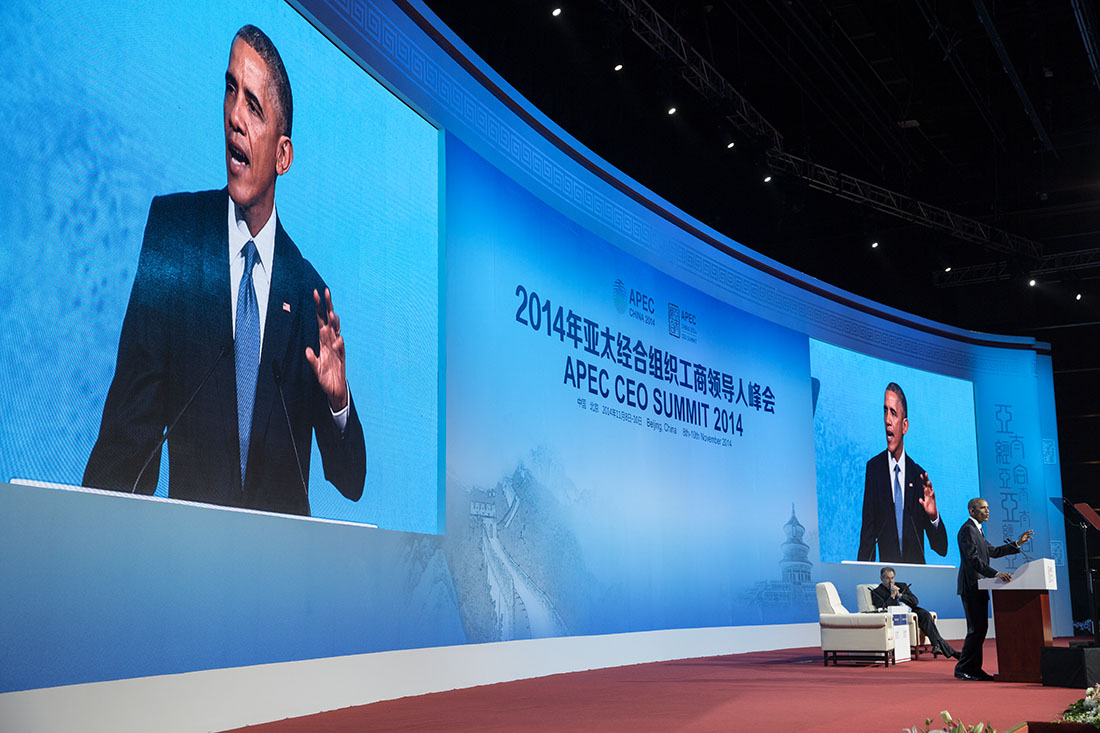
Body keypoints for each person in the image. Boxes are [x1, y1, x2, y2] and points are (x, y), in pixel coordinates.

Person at [83, 25, 366, 516]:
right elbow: (131, 429)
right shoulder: (177, 239)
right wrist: (94, 536)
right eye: (231, 90)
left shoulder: (308, 292)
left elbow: (351, 480)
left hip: (277, 580)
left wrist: (339, 401)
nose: (235, 116)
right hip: (187, 572)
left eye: (254, 107)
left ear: (282, 155)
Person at [857, 383, 948, 563]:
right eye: (885, 411)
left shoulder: (919, 475)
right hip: (886, 581)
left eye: (893, 413)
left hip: (916, 582)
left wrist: (933, 516)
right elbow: (867, 534)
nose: (887, 420)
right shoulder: (874, 469)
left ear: (904, 426)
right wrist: (863, 578)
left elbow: (941, 548)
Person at [954, 497, 1034, 681]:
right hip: (971, 585)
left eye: (988, 507)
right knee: (976, 629)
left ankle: (974, 669)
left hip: (980, 585)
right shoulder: (967, 530)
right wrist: (995, 573)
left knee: (980, 629)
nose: (987, 511)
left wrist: (1018, 543)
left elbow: (994, 551)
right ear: (972, 511)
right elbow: (973, 559)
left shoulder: (978, 530)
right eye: (983, 508)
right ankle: (963, 669)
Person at [871, 566, 958, 659]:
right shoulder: (877, 592)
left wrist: (900, 595)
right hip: (899, 617)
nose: (891, 581)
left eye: (892, 578)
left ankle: (937, 645)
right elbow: (883, 608)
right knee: (922, 621)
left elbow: (915, 601)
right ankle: (948, 650)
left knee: (925, 615)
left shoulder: (902, 586)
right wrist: (892, 596)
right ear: (881, 578)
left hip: (912, 611)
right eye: (888, 578)